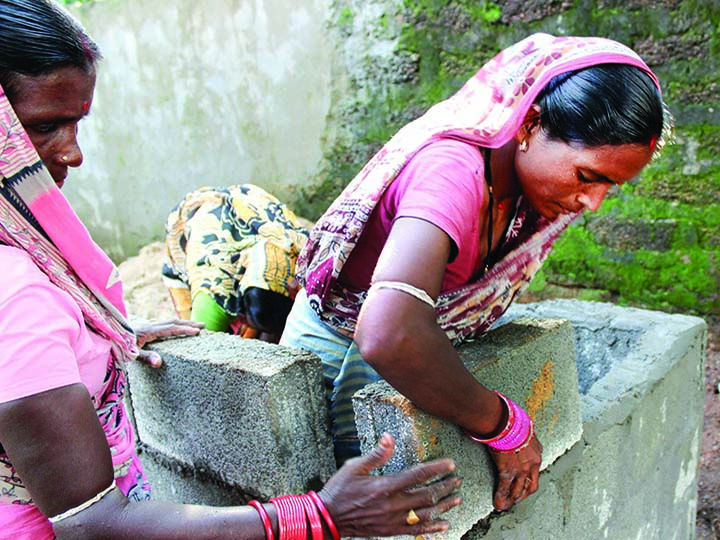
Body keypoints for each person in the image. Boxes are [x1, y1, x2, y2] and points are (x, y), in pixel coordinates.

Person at [0, 1, 461, 539]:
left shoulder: (29, 261)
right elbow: (93, 526)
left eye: (77, 124)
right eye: (45, 126)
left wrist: (94, 334)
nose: (73, 154)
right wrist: (320, 515)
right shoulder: (17, 300)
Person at [280, 32, 668, 512]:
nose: (591, 202)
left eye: (611, 186)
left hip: (398, 357)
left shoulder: (528, 198)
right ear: (529, 124)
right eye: (588, 176)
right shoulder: (453, 173)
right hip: (331, 346)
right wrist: (504, 424)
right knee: (319, 499)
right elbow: (389, 334)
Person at [162, 184, 309, 344]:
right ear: (242, 312)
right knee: (204, 339)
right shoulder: (213, 291)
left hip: (252, 204)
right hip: (201, 221)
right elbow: (196, 355)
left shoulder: (303, 257)